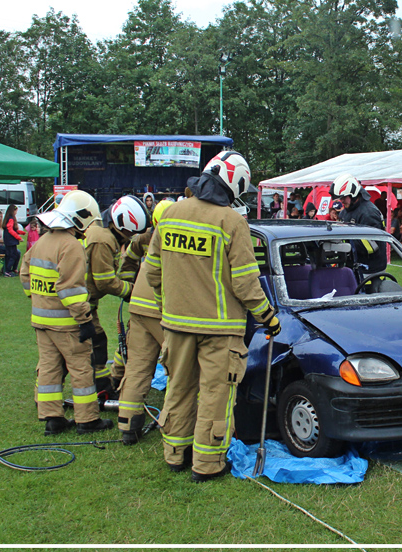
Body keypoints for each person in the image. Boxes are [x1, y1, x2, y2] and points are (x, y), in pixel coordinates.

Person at [145, 151, 279, 481]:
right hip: (220, 331)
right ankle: (206, 465)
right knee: (216, 395)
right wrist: (268, 318)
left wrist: (170, 304)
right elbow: (247, 283)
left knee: (177, 389)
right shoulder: (231, 222)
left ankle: (175, 454)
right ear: (235, 185)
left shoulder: (171, 214)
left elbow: (152, 273)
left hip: (176, 326)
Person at [19, 190, 113, 436]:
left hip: (41, 321)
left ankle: (52, 418)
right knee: (81, 368)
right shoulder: (71, 246)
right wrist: (85, 319)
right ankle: (88, 419)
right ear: (80, 218)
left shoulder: (42, 241)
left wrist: (37, 297)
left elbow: (25, 273)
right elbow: (70, 288)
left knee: (49, 368)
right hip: (67, 323)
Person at [116, 200, 173, 445]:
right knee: (179, 369)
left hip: (138, 306)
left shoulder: (144, 239)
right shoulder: (175, 239)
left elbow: (126, 264)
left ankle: (128, 426)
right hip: (161, 310)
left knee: (138, 367)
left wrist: (130, 289)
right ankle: (174, 427)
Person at [84, 194, 151, 398]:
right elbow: (104, 281)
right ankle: (102, 388)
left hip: (85, 302)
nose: (129, 239)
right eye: (129, 234)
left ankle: (104, 386)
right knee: (92, 344)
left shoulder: (103, 232)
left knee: (97, 342)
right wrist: (133, 292)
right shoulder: (103, 239)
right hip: (80, 303)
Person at [330, 173, 387, 275]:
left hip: (370, 269)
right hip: (353, 266)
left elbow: (372, 246)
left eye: (343, 197)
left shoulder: (368, 213)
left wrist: (343, 246)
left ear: (354, 194)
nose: (341, 201)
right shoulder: (345, 212)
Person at [2, 204, 26, 277]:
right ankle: (8, 271)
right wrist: (19, 238)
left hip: (8, 240)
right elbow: (10, 230)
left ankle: (7, 269)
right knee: (12, 255)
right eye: (16, 211)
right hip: (10, 240)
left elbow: (12, 229)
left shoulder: (7, 218)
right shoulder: (11, 219)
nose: (16, 213)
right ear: (13, 211)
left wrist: (21, 232)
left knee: (10, 255)